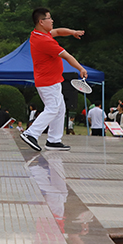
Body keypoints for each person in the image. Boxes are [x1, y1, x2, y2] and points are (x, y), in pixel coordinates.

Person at [20, 8, 87, 152]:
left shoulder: (38, 34)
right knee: (52, 108)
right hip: (48, 81)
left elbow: (57, 31)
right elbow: (67, 56)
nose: (52, 21)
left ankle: (53, 141)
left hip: (51, 80)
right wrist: (80, 69)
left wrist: (72, 32)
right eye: (49, 18)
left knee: (60, 108)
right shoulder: (44, 41)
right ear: (41, 22)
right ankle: (30, 134)